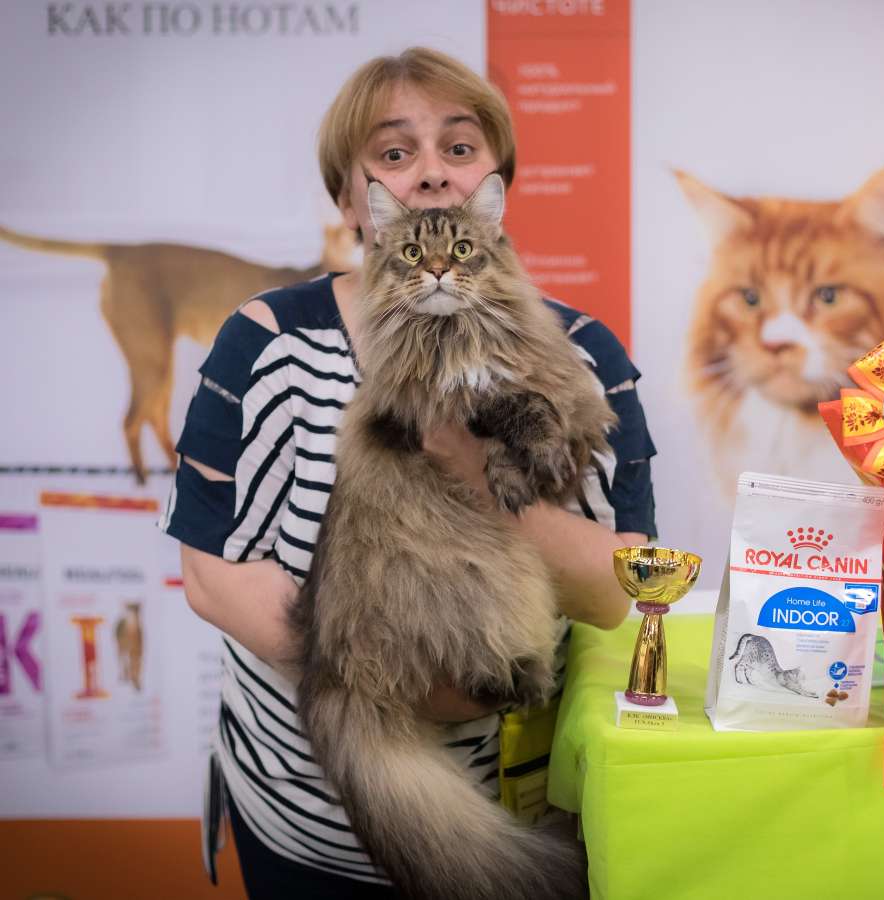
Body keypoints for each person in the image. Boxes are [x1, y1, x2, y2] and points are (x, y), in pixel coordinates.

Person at [158, 48, 657, 898]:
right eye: (394, 152)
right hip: (304, 810)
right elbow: (211, 573)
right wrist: (382, 688)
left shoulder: (587, 354)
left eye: (459, 148)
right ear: (350, 197)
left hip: (520, 786)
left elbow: (624, 592)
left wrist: (476, 470)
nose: (429, 172)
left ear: (496, 186)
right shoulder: (267, 340)